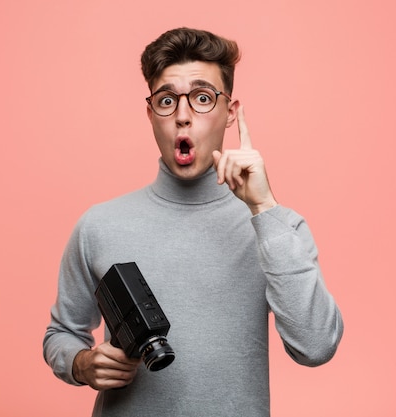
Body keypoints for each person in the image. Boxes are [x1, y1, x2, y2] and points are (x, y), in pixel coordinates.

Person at [43, 27, 343, 416]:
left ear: (230, 112)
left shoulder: (277, 227)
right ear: (150, 113)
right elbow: (61, 334)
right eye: (167, 100)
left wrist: (264, 208)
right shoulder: (99, 225)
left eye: (203, 98)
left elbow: (316, 346)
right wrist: (81, 364)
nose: (183, 117)